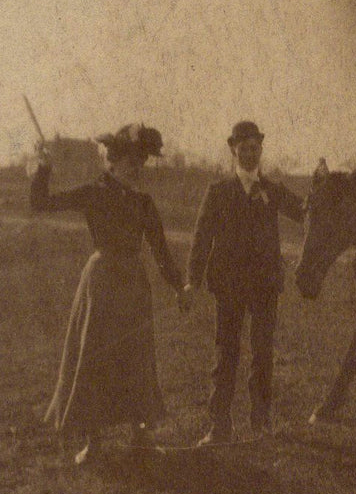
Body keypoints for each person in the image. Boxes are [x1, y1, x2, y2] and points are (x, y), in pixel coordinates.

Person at [31, 123, 186, 464]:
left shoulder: (144, 203)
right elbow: (41, 202)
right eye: (130, 160)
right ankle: (93, 440)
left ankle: (140, 435)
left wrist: (179, 286)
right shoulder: (94, 192)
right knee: (94, 358)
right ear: (111, 161)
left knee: (137, 359)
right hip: (100, 285)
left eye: (140, 162)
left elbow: (161, 251)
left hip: (133, 287)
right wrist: (43, 166)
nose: (136, 167)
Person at [184, 121, 304, 444]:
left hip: (265, 285)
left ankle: (261, 421)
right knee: (226, 354)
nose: (251, 153)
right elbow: (201, 237)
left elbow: (305, 210)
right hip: (229, 286)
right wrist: (192, 281)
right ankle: (220, 426)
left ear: (261, 150)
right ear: (233, 149)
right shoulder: (219, 191)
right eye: (245, 148)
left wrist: (321, 186)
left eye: (256, 147)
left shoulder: (273, 190)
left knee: (263, 354)